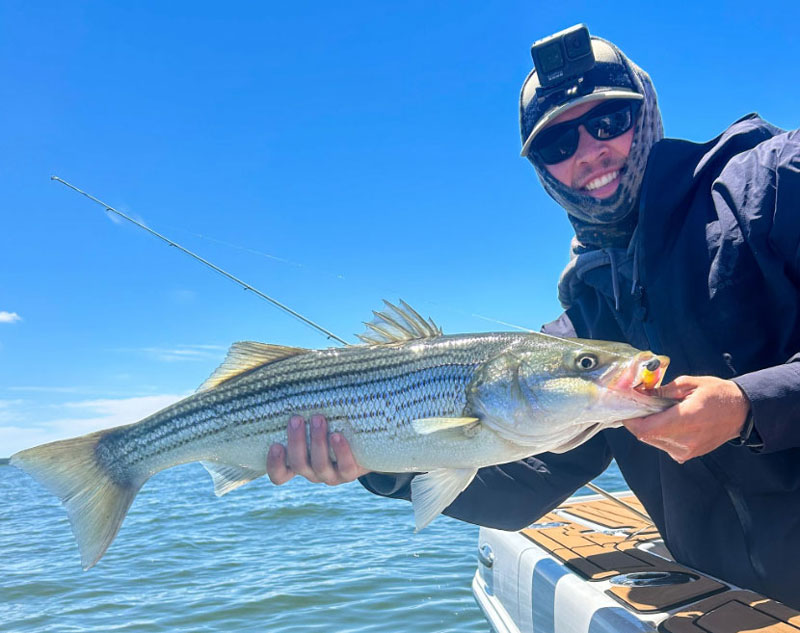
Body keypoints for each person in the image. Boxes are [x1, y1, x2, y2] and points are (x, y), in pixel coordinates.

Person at [267, 30, 800, 607]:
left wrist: (749, 405)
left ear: (645, 114)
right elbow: (524, 481)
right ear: (543, 171)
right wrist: (376, 463)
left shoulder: (773, 182)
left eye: (608, 121)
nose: (588, 152)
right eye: (555, 144)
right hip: (742, 606)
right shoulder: (588, 315)